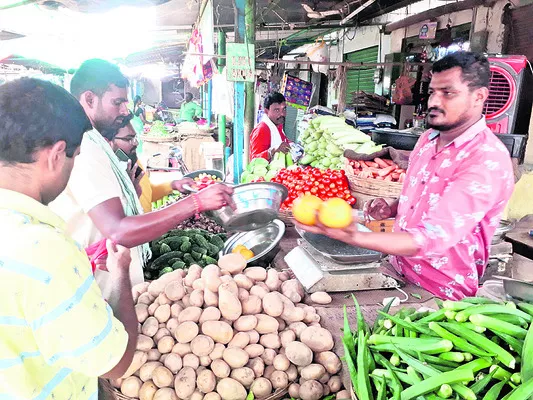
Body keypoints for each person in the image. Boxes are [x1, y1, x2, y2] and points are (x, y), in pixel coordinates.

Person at [297, 52, 515, 300]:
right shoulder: (427, 139)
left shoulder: (485, 160)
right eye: (433, 92)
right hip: (398, 272)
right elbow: (427, 196)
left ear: (479, 96)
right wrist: (393, 207)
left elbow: (431, 239)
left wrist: (354, 236)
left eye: (448, 93)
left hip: (441, 292)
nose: (435, 101)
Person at [0, 78, 138, 398]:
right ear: (57, 155)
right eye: (74, 157)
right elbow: (114, 364)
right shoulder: (47, 253)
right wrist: (120, 274)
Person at [50, 59, 234, 298]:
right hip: (99, 293)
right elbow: (118, 230)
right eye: (118, 102)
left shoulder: (95, 142)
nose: (125, 110)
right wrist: (196, 202)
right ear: (89, 99)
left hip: (111, 286)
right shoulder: (85, 149)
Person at [111, 116, 194, 212]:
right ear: (109, 142)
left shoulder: (134, 163)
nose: (135, 143)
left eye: (135, 138)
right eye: (128, 139)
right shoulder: (108, 173)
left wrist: (173, 185)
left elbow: (147, 193)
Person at [250, 92, 291, 161]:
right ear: (266, 111)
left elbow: (283, 141)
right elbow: (254, 159)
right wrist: (272, 152)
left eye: (284, 109)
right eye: (277, 110)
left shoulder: (278, 125)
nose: (282, 114)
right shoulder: (262, 129)